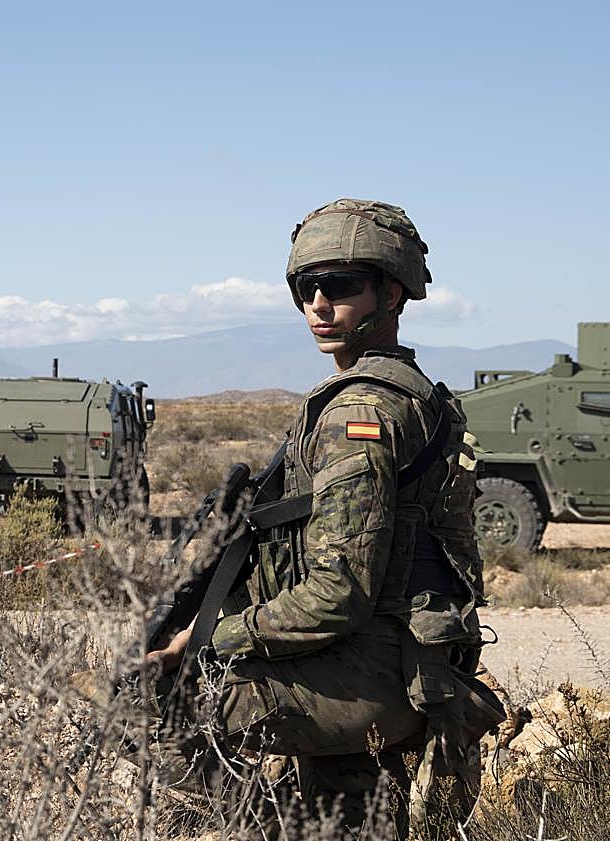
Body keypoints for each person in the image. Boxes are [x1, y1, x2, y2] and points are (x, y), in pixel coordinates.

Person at [147, 199, 504, 835]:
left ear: (391, 293)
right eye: (303, 288)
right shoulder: (419, 394)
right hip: (412, 659)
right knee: (351, 820)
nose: (318, 304)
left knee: (151, 700)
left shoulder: (357, 413)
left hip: (375, 666)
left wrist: (202, 643)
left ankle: (250, 828)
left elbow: (340, 592)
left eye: (338, 286)